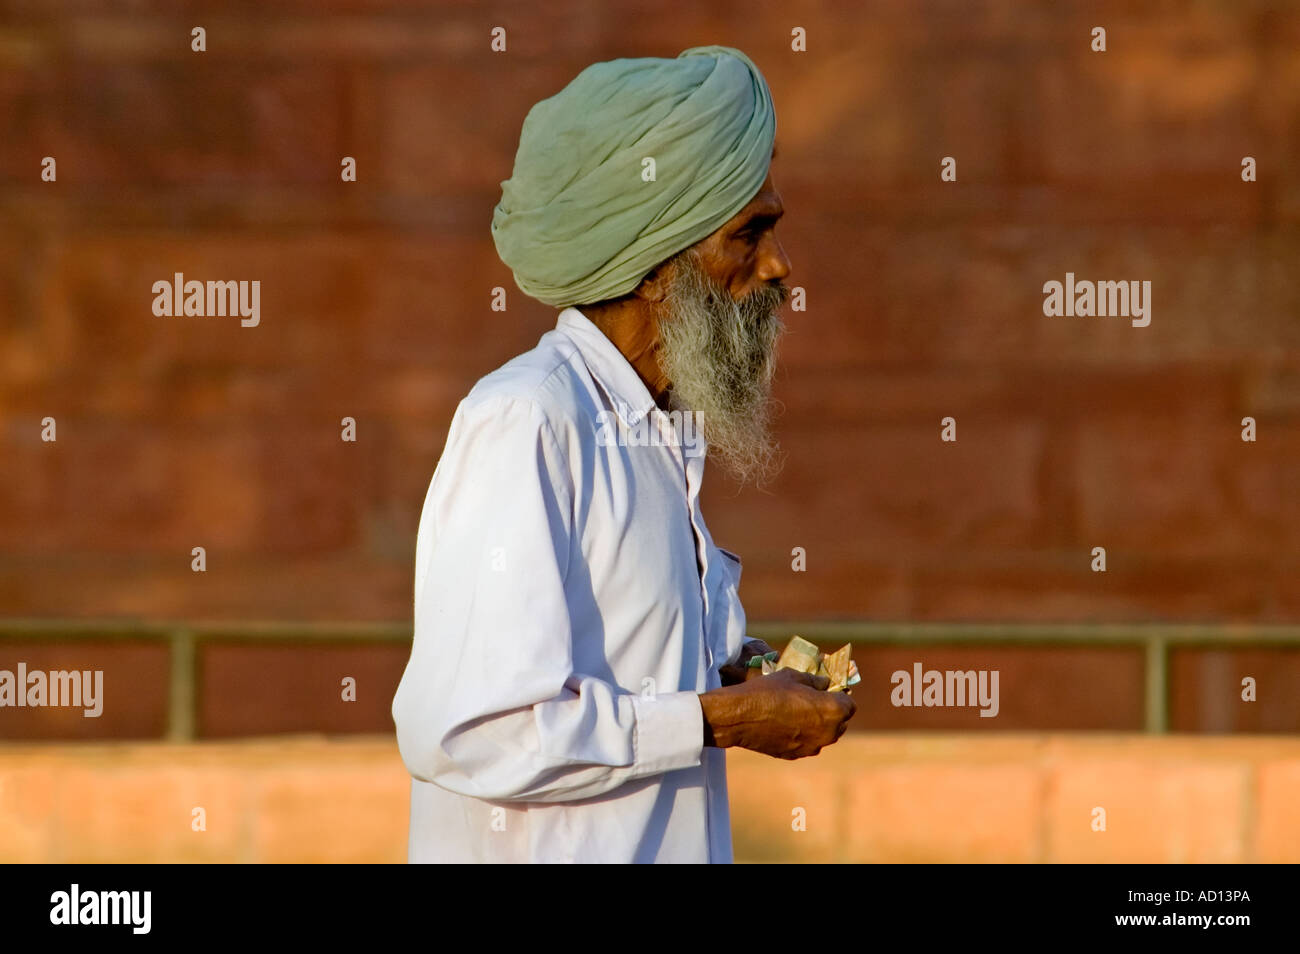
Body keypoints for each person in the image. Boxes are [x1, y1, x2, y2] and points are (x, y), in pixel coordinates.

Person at [391, 45, 855, 863]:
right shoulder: (528, 420)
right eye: (750, 235)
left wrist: (740, 675)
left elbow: (635, 681)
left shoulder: (653, 429)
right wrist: (726, 719)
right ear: (654, 267)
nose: (780, 268)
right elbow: (472, 731)